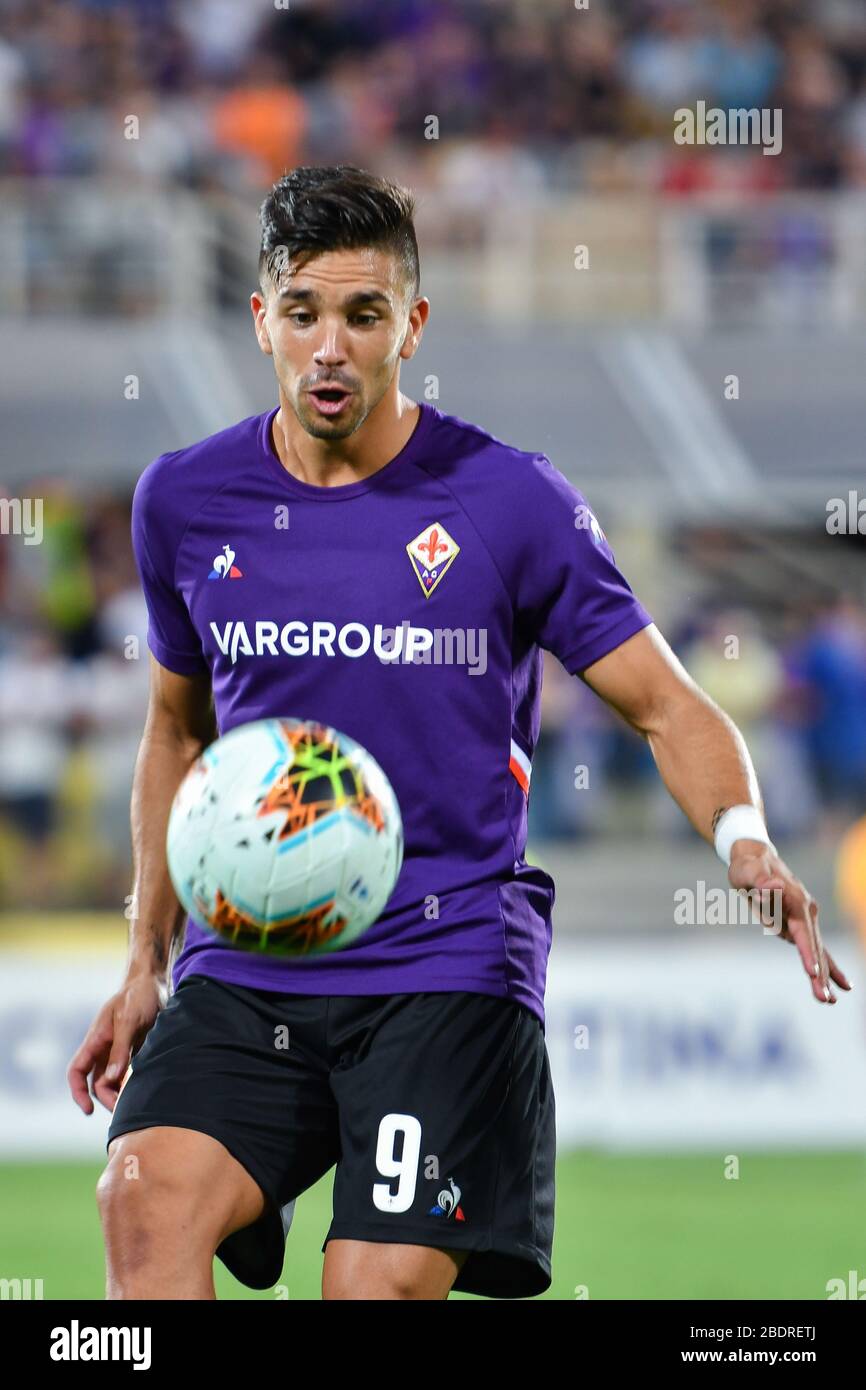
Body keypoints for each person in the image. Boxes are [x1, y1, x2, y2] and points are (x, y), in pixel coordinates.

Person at [67, 165, 849, 1302]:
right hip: (248, 961)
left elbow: (663, 702)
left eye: (362, 314)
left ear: (412, 324)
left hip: (443, 965)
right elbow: (172, 735)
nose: (328, 346)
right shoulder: (183, 502)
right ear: (260, 321)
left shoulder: (506, 501)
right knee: (140, 1195)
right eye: (302, 314)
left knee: (368, 1287)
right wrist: (144, 958)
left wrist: (740, 833)